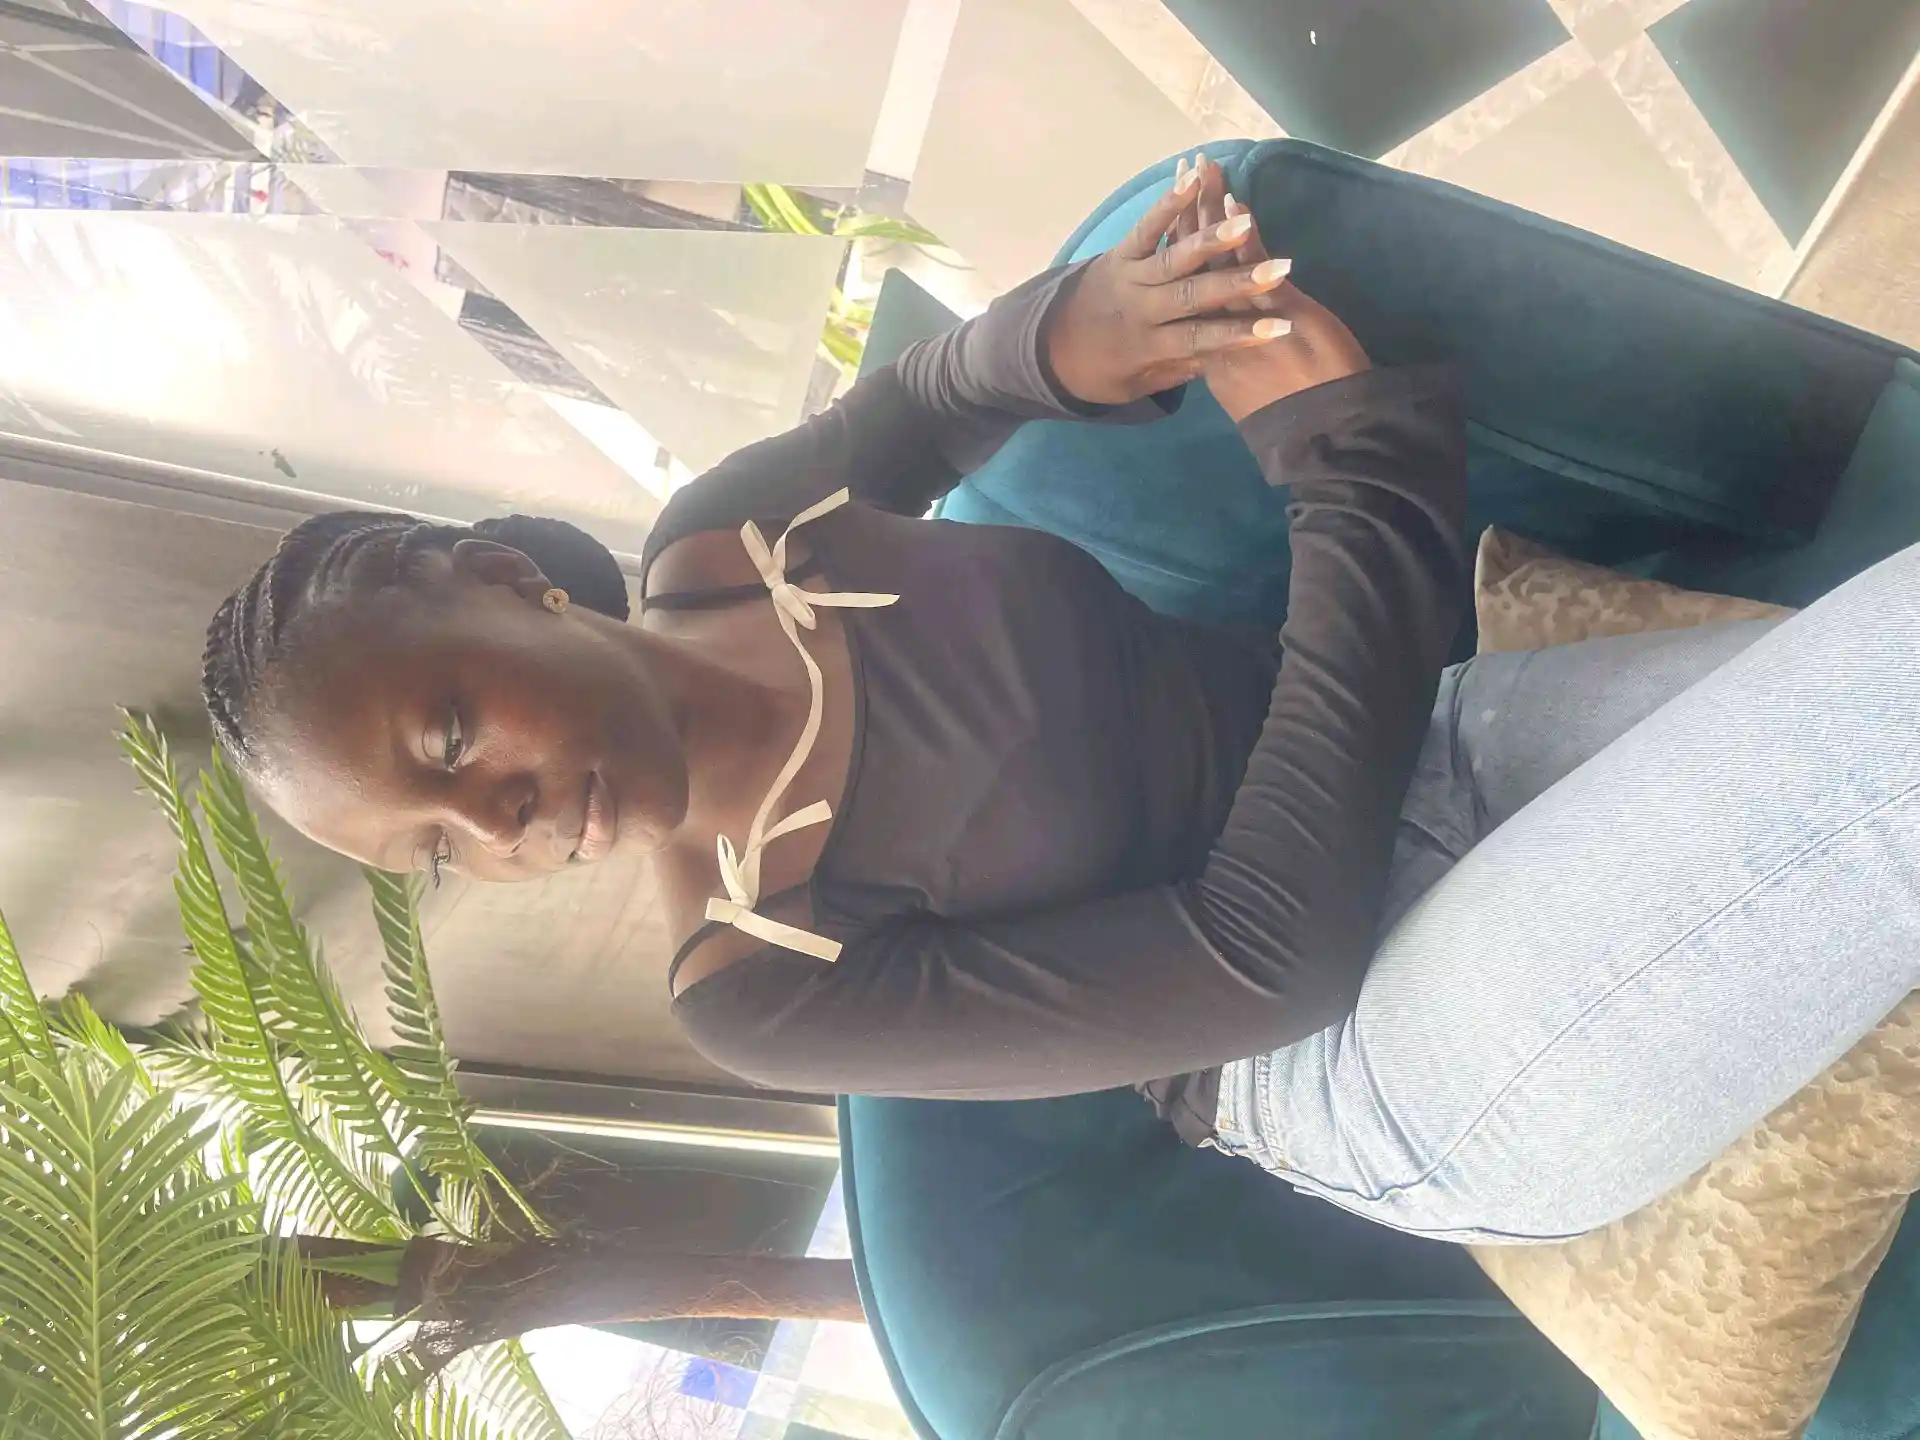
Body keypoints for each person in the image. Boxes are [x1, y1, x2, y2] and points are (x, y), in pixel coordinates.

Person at [199, 158, 1920, 1245]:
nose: (499, 825)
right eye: (442, 849)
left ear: (508, 582)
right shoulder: (756, 992)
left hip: (1433, 752)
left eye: (449, 741)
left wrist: (1066, 332)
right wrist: (1357, 483)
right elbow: (1267, 961)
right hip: (1369, 1057)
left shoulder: (726, 539)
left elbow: (921, 406)